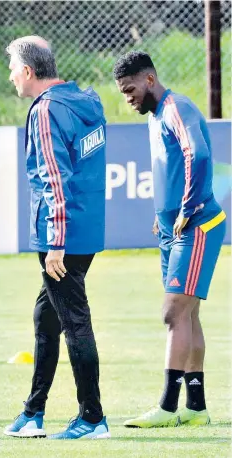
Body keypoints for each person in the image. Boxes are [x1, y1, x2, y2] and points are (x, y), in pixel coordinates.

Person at [2, 36, 110, 440]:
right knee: (45, 316)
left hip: (61, 234)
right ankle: (34, 412)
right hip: (87, 228)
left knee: (74, 322)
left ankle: (92, 418)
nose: (11, 75)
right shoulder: (86, 99)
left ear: (29, 71)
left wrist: (55, 242)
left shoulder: (45, 111)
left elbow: (54, 177)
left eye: (13, 67)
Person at [114, 51, 226, 428]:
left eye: (130, 89)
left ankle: (167, 406)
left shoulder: (177, 107)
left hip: (197, 225)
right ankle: (196, 408)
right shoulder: (155, 116)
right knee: (188, 315)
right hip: (173, 228)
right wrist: (163, 216)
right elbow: (171, 168)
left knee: (173, 312)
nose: (127, 98)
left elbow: (200, 154)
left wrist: (186, 209)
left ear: (149, 80)